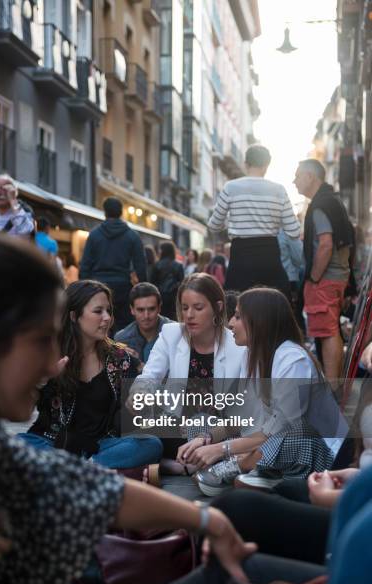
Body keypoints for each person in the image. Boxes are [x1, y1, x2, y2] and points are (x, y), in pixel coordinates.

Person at [0, 230, 293, 584]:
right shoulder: (165, 341)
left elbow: (94, 489)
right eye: (41, 341)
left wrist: (209, 521)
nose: (49, 365)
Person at [190, 287, 335, 496]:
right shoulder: (250, 355)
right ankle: (257, 470)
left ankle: (244, 466)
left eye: (238, 317)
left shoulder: (294, 360)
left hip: (310, 450)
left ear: (260, 321)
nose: (230, 322)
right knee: (200, 423)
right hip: (266, 441)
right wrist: (206, 439)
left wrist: (222, 449)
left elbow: (282, 430)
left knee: (293, 433)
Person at [20, 279, 162, 470]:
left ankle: (75, 470)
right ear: (74, 315)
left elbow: (147, 385)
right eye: (98, 311)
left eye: (108, 311)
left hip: (101, 447)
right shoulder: (50, 354)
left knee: (150, 444)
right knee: (18, 443)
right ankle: (79, 471)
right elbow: (22, 406)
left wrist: (141, 397)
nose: (107, 318)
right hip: (51, 443)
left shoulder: (119, 358)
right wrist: (42, 379)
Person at [131, 273, 245, 471]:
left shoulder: (238, 346)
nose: (189, 315)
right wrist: (140, 392)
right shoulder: (171, 334)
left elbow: (241, 410)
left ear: (217, 307)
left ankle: (170, 465)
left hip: (216, 431)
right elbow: (150, 375)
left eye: (198, 308)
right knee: (126, 419)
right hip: (175, 428)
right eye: (185, 308)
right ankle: (179, 465)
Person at [207, 145, 300, 297]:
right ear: (267, 165)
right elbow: (294, 231)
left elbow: (214, 225)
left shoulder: (230, 187)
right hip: (269, 256)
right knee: (273, 307)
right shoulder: (279, 190)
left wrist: (231, 221)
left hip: (241, 257)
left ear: (246, 164)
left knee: (238, 307)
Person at [294, 159, 353, 382]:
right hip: (337, 278)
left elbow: (326, 244)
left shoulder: (320, 205)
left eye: (298, 176)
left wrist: (314, 278)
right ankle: (334, 384)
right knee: (332, 330)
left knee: (327, 332)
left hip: (325, 280)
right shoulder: (332, 201)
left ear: (311, 177)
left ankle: (331, 388)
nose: (294, 181)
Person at [79, 197, 147, 331]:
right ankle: (120, 351)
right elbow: (141, 265)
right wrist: (142, 290)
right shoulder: (132, 236)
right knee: (123, 328)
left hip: (97, 287)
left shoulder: (94, 235)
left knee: (99, 326)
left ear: (105, 212)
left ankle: (101, 351)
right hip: (123, 288)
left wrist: (83, 290)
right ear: (121, 212)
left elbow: (85, 265)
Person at [115, 282, 171, 367]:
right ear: (132, 310)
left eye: (151, 309)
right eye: (140, 310)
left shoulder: (175, 333)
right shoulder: (122, 339)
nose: (146, 316)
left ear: (159, 308)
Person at [151, 241, 184, 320]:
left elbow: (152, 282)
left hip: (160, 295)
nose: (159, 251)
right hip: (174, 296)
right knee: (174, 318)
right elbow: (182, 282)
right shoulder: (178, 265)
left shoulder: (156, 265)